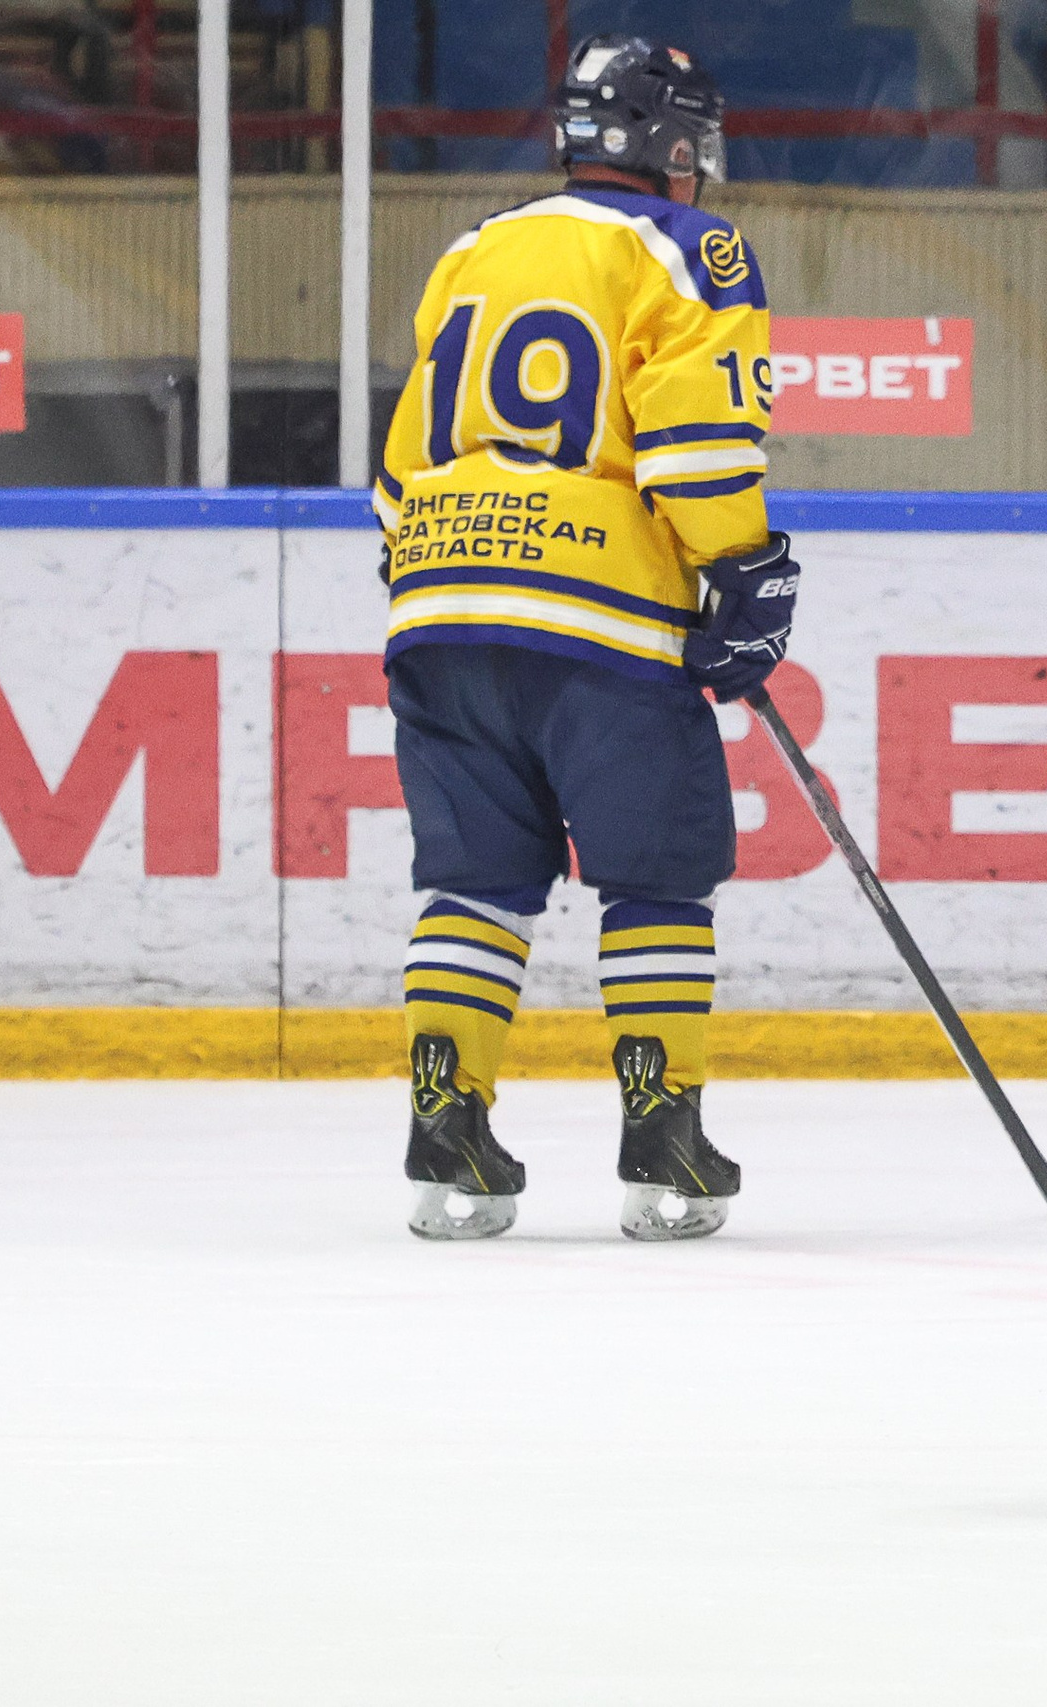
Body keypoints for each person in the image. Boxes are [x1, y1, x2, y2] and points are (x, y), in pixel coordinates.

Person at [373, 35, 798, 1243]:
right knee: (656, 874)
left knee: (472, 882)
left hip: (437, 601)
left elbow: (405, 461)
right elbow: (695, 437)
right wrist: (742, 570)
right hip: (598, 619)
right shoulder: (687, 245)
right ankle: (662, 1143)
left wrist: (437, 574)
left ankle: (445, 1134)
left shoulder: (473, 249)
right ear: (670, 145)